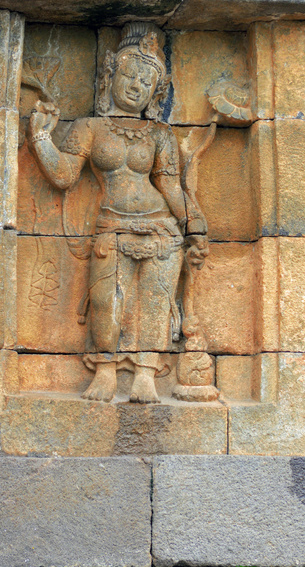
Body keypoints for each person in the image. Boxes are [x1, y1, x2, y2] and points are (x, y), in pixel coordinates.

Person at [27, 22, 209, 404]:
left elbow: (170, 186)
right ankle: (106, 373)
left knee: (156, 304)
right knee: (106, 302)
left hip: (161, 230)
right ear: (111, 74)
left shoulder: (159, 134)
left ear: (155, 91)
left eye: (147, 81)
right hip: (111, 225)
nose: (136, 85)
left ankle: (145, 375)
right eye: (129, 74)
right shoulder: (90, 127)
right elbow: (64, 176)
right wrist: (41, 137)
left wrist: (195, 225)